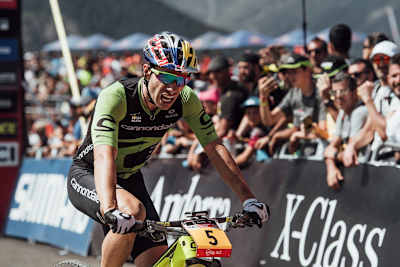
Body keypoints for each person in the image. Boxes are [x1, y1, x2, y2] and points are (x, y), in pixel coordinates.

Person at [67, 32, 269, 267]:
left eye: (182, 79)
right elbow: (104, 155)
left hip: (130, 179)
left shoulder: (185, 99)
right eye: (166, 77)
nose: (174, 88)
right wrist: (110, 208)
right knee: (133, 210)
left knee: (156, 262)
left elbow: (214, 148)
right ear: (146, 71)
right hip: (90, 174)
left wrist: (249, 199)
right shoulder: (116, 97)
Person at [259, 53, 327, 155]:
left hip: (321, 152)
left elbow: (324, 133)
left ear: (308, 70)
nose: (290, 76)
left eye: (294, 71)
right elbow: (269, 120)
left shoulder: (320, 93)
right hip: (303, 152)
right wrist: (263, 98)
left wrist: (297, 135)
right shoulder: (293, 93)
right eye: (288, 72)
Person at [323, 73, 368, 190]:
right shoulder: (342, 112)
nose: (338, 96)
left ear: (354, 93)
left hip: (365, 174)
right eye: (334, 93)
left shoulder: (360, 112)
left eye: (343, 91)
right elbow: (330, 147)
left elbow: (349, 157)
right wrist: (330, 167)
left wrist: (332, 156)